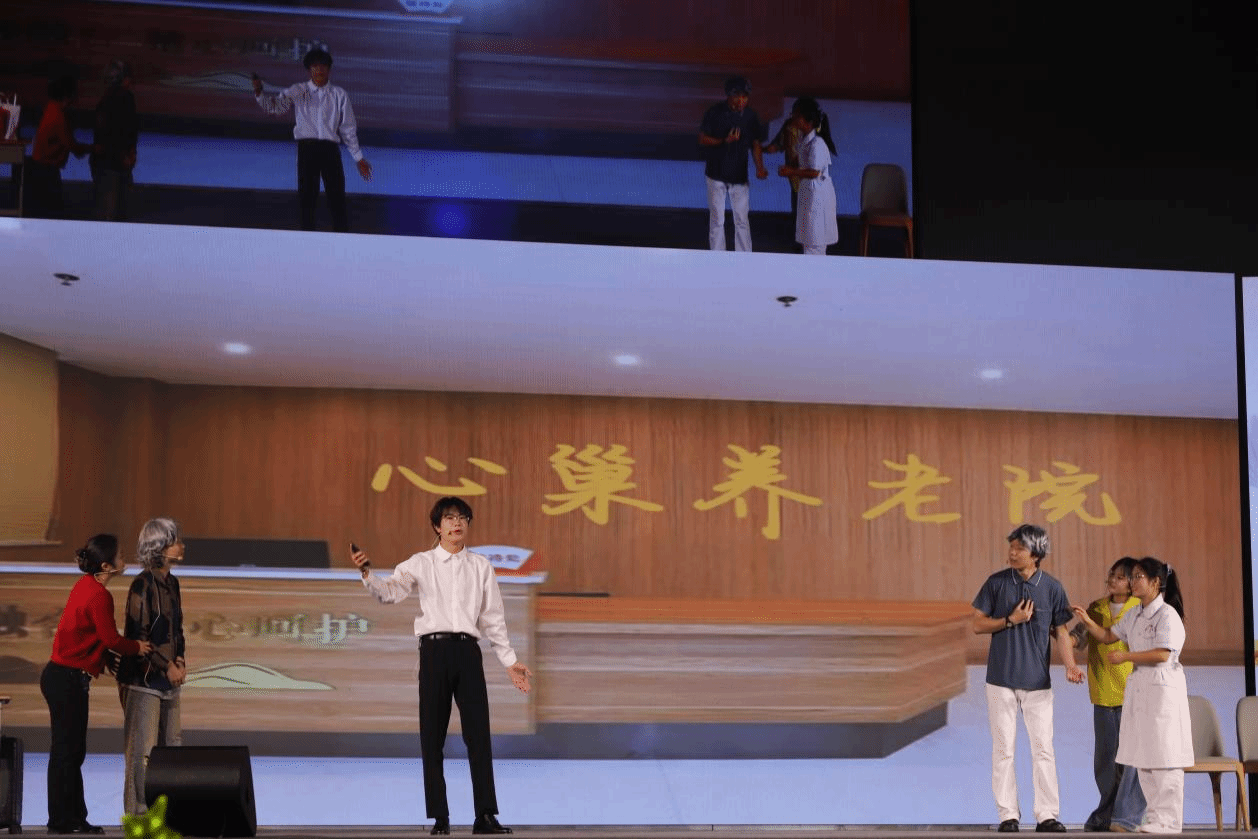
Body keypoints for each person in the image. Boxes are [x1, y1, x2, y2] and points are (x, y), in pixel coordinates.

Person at [351, 496, 531, 836]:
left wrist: (509, 661)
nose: (457, 523)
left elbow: (493, 618)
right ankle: (439, 817)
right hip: (434, 653)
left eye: (462, 517)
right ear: (437, 526)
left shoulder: (480, 566)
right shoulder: (420, 563)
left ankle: (485, 816)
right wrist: (367, 573)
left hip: (468, 652)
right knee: (432, 737)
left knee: (479, 736)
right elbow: (390, 593)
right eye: (449, 518)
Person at [971, 523, 1083, 833]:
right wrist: (1011, 620)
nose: (1012, 552)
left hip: (1038, 683)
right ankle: (1008, 815)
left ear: (1036, 553)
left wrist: (1070, 665)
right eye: (1011, 547)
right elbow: (978, 624)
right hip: (1000, 681)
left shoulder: (1053, 587)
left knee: (1043, 749)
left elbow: (1061, 631)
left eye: (1019, 548)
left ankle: (1047, 815)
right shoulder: (996, 583)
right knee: (1003, 750)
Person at [40, 534, 153, 835]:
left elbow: (86, 635)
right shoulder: (100, 595)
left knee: (69, 752)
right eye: (120, 556)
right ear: (106, 566)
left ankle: (72, 818)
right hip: (67, 679)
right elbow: (110, 639)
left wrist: (101, 660)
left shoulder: (84, 585)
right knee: (67, 753)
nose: (124, 560)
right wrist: (137, 647)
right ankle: (64, 820)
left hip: (60, 676)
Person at [1072, 558, 1193, 833]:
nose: (1133, 581)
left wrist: (1127, 656)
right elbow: (1107, 636)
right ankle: (1154, 818)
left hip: (1163, 688)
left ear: (1155, 582)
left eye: (1139, 576)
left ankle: (1169, 821)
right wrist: (1087, 621)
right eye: (1134, 576)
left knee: (1164, 756)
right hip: (1140, 688)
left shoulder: (1167, 615)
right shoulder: (1135, 613)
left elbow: (1163, 654)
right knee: (1143, 756)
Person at [252, 48, 373, 232]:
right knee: (307, 200)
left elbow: (348, 128)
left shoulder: (339, 94)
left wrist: (358, 158)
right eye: (315, 66)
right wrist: (259, 93)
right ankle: (306, 241)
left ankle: (343, 240)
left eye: (323, 66)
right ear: (309, 69)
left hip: (330, 151)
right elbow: (275, 108)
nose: (319, 70)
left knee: (337, 199)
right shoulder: (298, 90)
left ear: (329, 69)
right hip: (307, 150)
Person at [117, 517, 187, 816]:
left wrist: (180, 660)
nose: (181, 545)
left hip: (169, 679)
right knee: (142, 754)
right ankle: (139, 818)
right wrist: (166, 665)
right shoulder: (142, 584)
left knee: (171, 748)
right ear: (158, 547)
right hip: (143, 681)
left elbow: (177, 630)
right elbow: (138, 636)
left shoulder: (173, 583)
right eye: (174, 541)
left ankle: (166, 817)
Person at [1075, 557, 1145, 832]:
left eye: (1119, 576)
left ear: (1131, 583)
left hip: (1130, 693)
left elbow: (1109, 636)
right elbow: (1079, 637)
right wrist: (1062, 634)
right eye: (1111, 575)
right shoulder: (1096, 607)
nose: (1112, 580)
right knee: (1105, 761)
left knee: (1128, 760)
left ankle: (1122, 816)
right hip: (1103, 693)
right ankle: (1108, 814)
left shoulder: (1138, 609)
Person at [698, 76, 767, 251]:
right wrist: (724, 141)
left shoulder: (751, 116)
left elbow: (756, 144)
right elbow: (703, 138)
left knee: (742, 219)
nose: (741, 100)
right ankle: (717, 256)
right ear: (729, 95)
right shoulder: (715, 112)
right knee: (717, 219)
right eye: (738, 96)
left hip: (739, 175)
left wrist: (759, 167)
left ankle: (744, 257)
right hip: (716, 174)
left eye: (745, 96)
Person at [775, 97, 838, 255]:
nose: (793, 118)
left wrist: (791, 172)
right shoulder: (805, 141)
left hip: (818, 196)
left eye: (796, 115)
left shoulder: (817, 144)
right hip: (809, 194)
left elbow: (814, 172)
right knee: (808, 241)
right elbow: (802, 161)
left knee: (815, 243)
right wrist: (791, 165)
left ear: (807, 120)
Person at [27, 75, 90, 218]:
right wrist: (93, 149)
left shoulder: (51, 108)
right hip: (46, 172)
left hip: (39, 168)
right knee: (51, 213)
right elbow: (72, 146)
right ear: (68, 96)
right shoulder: (58, 116)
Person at [90, 60, 139, 221]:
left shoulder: (109, 100)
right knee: (112, 213)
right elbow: (119, 132)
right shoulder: (122, 99)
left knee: (111, 211)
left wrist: (129, 154)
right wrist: (126, 155)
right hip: (113, 163)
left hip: (110, 163)